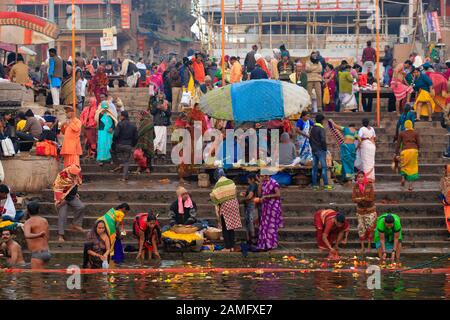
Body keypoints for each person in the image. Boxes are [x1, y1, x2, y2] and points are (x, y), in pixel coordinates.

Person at [210, 169, 242, 252]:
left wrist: (218, 202)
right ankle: (232, 246)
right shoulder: (230, 181)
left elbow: (213, 196)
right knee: (231, 227)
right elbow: (234, 191)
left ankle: (227, 247)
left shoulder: (218, 184)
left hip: (225, 206)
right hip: (234, 204)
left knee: (225, 227)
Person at [53, 164, 85, 243]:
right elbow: (57, 188)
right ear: (70, 172)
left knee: (81, 207)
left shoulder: (77, 173)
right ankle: (61, 235)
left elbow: (75, 185)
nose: (75, 176)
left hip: (71, 196)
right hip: (62, 198)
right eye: (73, 175)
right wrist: (60, 200)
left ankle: (76, 224)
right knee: (62, 215)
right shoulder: (62, 176)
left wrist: (75, 193)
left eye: (75, 175)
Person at [257, 169, 284, 251]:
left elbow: (278, 194)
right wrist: (260, 183)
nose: (261, 177)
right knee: (264, 226)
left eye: (262, 176)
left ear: (267, 175)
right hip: (265, 207)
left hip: (273, 207)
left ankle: (271, 244)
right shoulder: (263, 183)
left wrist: (267, 196)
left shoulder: (274, 183)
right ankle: (265, 244)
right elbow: (259, 194)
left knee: (271, 226)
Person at [352, 171, 377, 254]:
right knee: (361, 229)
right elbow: (353, 198)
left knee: (370, 229)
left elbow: (372, 198)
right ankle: (362, 247)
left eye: (362, 177)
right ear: (357, 178)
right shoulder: (355, 186)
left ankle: (369, 246)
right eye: (358, 177)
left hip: (370, 210)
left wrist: (361, 198)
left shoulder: (370, 185)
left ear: (364, 177)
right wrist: (361, 198)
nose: (360, 178)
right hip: (360, 211)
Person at [329, 120, 358, 185]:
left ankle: (348, 179)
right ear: (354, 127)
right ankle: (349, 178)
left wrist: (331, 121)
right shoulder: (356, 132)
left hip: (346, 147)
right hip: (352, 148)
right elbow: (360, 140)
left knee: (345, 162)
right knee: (351, 163)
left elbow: (335, 126)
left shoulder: (346, 129)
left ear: (349, 127)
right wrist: (357, 147)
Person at [112, 111, 138, 181]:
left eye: (120, 116)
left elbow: (115, 135)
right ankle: (124, 177)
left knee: (111, 151)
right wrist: (132, 145)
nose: (120, 117)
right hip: (128, 146)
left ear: (123, 116)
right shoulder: (133, 125)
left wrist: (115, 143)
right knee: (126, 161)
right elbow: (136, 137)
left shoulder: (120, 124)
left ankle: (118, 164)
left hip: (119, 145)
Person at [23, 201, 50, 269]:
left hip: (37, 254)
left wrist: (38, 235)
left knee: (36, 278)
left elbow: (27, 235)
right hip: (47, 252)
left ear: (27, 211)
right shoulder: (44, 220)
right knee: (44, 278)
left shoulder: (28, 222)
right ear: (39, 210)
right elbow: (48, 237)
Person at [310, 114, 332, 190]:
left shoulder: (313, 128)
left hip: (314, 150)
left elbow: (310, 140)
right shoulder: (321, 129)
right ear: (322, 121)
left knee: (314, 168)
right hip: (320, 150)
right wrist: (325, 149)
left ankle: (314, 185)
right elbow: (323, 140)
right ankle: (326, 184)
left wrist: (313, 148)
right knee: (324, 167)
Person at [396, 120, 420, 191]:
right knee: (413, 168)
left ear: (405, 125)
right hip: (413, 150)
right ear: (411, 125)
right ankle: (410, 186)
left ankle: (403, 178)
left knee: (404, 166)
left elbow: (398, 144)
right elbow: (418, 144)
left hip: (405, 151)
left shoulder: (401, 133)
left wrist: (396, 153)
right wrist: (418, 150)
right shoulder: (415, 133)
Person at [151, 91, 171, 160]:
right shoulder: (154, 103)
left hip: (163, 123)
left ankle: (163, 154)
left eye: (161, 97)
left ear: (163, 97)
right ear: (157, 97)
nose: (160, 98)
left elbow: (169, 114)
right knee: (156, 139)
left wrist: (164, 109)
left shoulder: (167, 103)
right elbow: (152, 112)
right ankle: (155, 153)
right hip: (156, 123)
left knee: (163, 139)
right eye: (159, 97)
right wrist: (157, 108)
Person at [240, 174, 258, 245]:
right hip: (251, 206)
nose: (248, 181)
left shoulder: (253, 185)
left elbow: (250, 196)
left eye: (248, 180)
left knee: (251, 223)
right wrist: (245, 194)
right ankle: (251, 239)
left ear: (252, 179)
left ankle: (252, 240)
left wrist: (241, 200)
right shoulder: (253, 185)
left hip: (251, 206)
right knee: (250, 223)